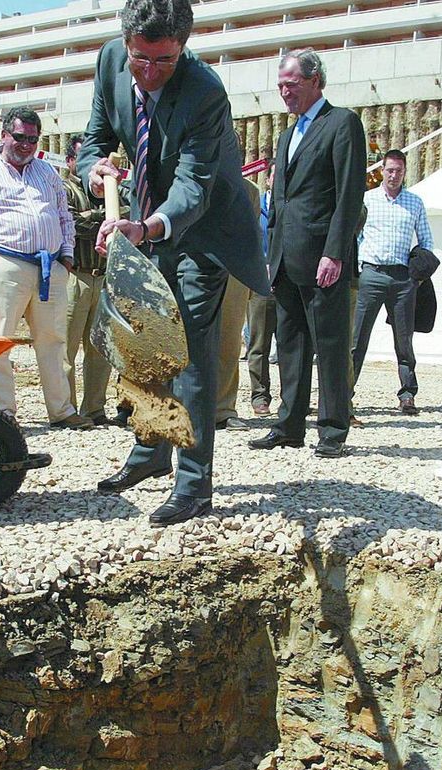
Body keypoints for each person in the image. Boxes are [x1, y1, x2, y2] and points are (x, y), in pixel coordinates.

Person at [79, 0, 267, 526]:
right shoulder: (111, 60)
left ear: (183, 47)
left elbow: (193, 187)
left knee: (187, 354)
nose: (149, 71)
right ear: (127, 42)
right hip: (139, 223)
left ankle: (194, 485)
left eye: (164, 62)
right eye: (141, 59)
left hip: (202, 231)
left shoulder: (205, 92)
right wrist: (94, 168)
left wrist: (149, 226)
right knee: (142, 342)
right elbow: (95, 137)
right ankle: (150, 451)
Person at [252, 48, 367, 458]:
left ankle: (333, 430)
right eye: (280, 85)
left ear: (315, 80)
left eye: (292, 84)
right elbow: (280, 200)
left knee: (331, 345)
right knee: (292, 345)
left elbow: (349, 195)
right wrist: (271, 253)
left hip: (323, 258)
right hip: (285, 258)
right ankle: (289, 425)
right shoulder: (287, 135)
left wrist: (335, 252)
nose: (284, 92)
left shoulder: (342, 123)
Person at [0, 108, 87, 429]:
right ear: (4, 136)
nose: (26, 145)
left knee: (53, 341)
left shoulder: (48, 172)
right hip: (4, 263)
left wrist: (65, 256)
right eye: (20, 137)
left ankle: (62, 410)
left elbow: (64, 217)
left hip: (50, 267)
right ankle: (2, 413)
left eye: (33, 139)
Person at [350, 149, 431, 416]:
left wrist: (417, 274)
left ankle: (408, 393)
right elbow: (354, 235)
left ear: (405, 172)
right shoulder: (367, 200)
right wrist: (358, 266)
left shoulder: (415, 202)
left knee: (404, 339)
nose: (394, 175)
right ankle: (344, 393)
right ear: (381, 171)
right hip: (371, 274)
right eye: (389, 170)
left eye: (398, 170)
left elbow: (426, 240)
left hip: (402, 277)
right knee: (357, 338)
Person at [60, 136, 112, 427]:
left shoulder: (107, 189)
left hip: (102, 277)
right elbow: (70, 223)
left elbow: (128, 213)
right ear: (70, 162)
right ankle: (66, 410)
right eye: (83, 159)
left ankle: (95, 408)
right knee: (65, 348)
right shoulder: (63, 188)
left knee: (100, 350)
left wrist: (94, 218)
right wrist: (104, 218)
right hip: (75, 276)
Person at [213, 176, 264, 431]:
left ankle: (223, 408)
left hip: (234, 271)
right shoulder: (194, 178)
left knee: (229, 342)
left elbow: (250, 234)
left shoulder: (250, 190)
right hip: (195, 266)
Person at [247, 178, 277, 417]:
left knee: (291, 345)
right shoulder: (256, 204)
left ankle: (291, 397)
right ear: (268, 179)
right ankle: (259, 396)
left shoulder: (292, 205)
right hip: (261, 282)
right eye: (275, 176)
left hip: (287, 281)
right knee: (259, 344)